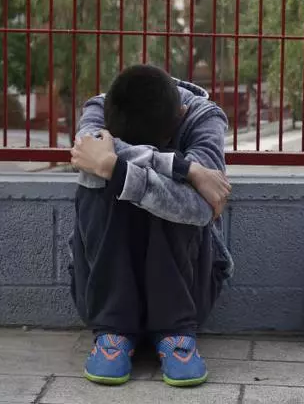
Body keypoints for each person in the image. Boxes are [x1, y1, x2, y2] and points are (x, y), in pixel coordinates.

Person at [67, 64, 233, 388]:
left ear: (181, 115)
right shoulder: (102, 106)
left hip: (188, 290)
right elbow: (86, 154)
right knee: (96, 179)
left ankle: (174, 332)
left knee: (170, 195)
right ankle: (114, 330)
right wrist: (185, 167)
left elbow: (202, 208)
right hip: (102, 294)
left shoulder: (203, 117)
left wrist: (115, 164)